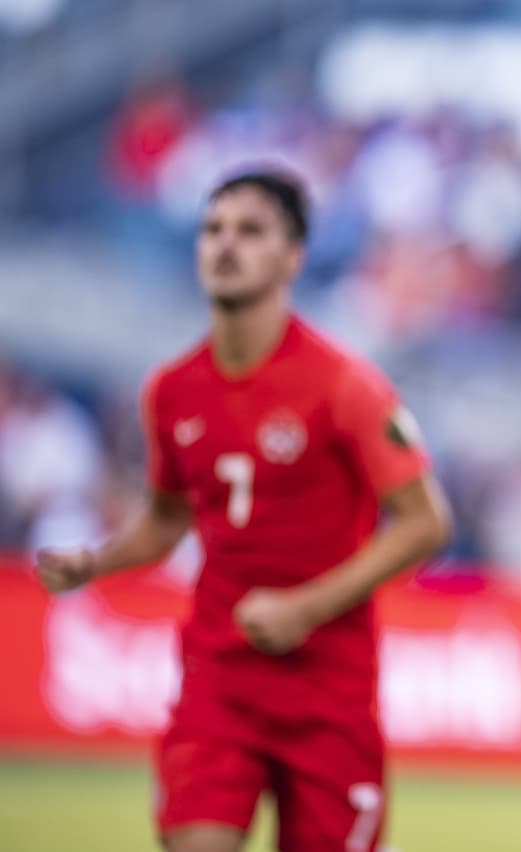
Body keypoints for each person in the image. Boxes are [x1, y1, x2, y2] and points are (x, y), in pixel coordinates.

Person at [35, 170, 452, 852]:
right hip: (218, 681)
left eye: (251, 231)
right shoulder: (172, 391)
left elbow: (426, 521)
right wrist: (96, 559)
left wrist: (305, 608)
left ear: (293, 256)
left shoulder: (343, 384)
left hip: (328, 692)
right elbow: (167, 521)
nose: (225, 246)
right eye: (213, 229)